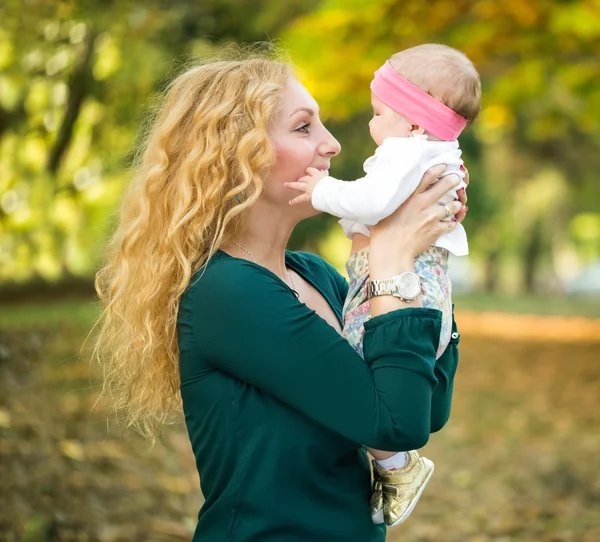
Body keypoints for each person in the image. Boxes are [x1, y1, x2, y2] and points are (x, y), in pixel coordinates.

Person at [93, 53, 466, 542]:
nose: (331, 144)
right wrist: (394, 257)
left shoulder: (314, 275)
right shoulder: (225, 293)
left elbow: (426, 405)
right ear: (237, 155)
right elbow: (396, 426)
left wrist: (427, 260)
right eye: (303, 127)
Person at [283, 44, 480, 528]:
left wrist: (322, 193)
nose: (370, 126)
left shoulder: (406, 153)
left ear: (415, 122)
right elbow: (377, 214)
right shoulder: (436, 154)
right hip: (426, 293)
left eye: (377, 113)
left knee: (360, 372)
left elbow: (371, 201)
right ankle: (396, 465)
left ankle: (398, 466)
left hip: (405, 289)